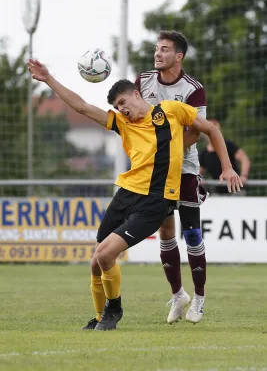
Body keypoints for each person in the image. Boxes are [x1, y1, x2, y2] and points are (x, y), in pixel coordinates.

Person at [28, 58, 242, 331]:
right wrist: (49, 80)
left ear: (136, 94)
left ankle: (115, 309)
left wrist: (226, 167)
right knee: (96, 261)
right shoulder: (122, 123)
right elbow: (81, 106)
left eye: (122, 103)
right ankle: (100, 318)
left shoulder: (172, 111)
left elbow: (210, 129)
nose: (121, 110)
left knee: (105, 256)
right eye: (117, 107)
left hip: (155, 201)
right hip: (126, 194)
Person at [135, 30, 208, 324]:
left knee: (191, 233)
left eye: (164, 49)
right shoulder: (143, 81)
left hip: (185, 168)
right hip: (156, 171)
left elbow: (196, 131)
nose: (158, 53)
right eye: (156, 48)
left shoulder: (193, 90)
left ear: (179, 56)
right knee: (165, 232)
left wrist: (167, 149)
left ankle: (199, 298)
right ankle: (179, 296)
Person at [199, 119, 251, 195]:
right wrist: (199, 180)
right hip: (218, 192)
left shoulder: (228, 145)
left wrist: (244, 175)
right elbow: (199, 172)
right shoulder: (204, 153)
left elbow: (244, 159)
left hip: (236, 190)